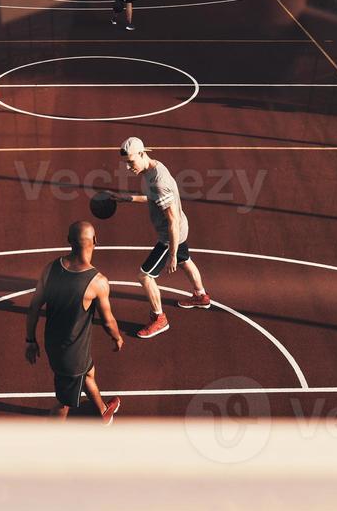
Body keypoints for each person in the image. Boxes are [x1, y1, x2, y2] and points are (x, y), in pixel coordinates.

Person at [108, 137, 211, 340]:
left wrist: (171, 253)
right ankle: (201, 296)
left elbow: (171, 220)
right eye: (126, 163)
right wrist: (128, 198)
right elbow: (153, 198)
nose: (129, 167)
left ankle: (159, 318)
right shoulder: (154, 168)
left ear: (142, 154)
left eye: (131, 162)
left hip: (170, 234)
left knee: (145, 276)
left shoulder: (158, 182)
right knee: (185, 260)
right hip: (181, 227)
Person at [26, 221, 123, 422]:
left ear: (69, 241)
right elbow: (108, 321)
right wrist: (117, 338)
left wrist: (30, 340)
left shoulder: (50, 268)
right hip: (72, 355)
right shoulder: (97, 281)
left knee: (88, 373)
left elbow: (34, 306)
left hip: (54, 344)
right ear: (95, 241)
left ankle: (103, 411)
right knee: (64, 403)